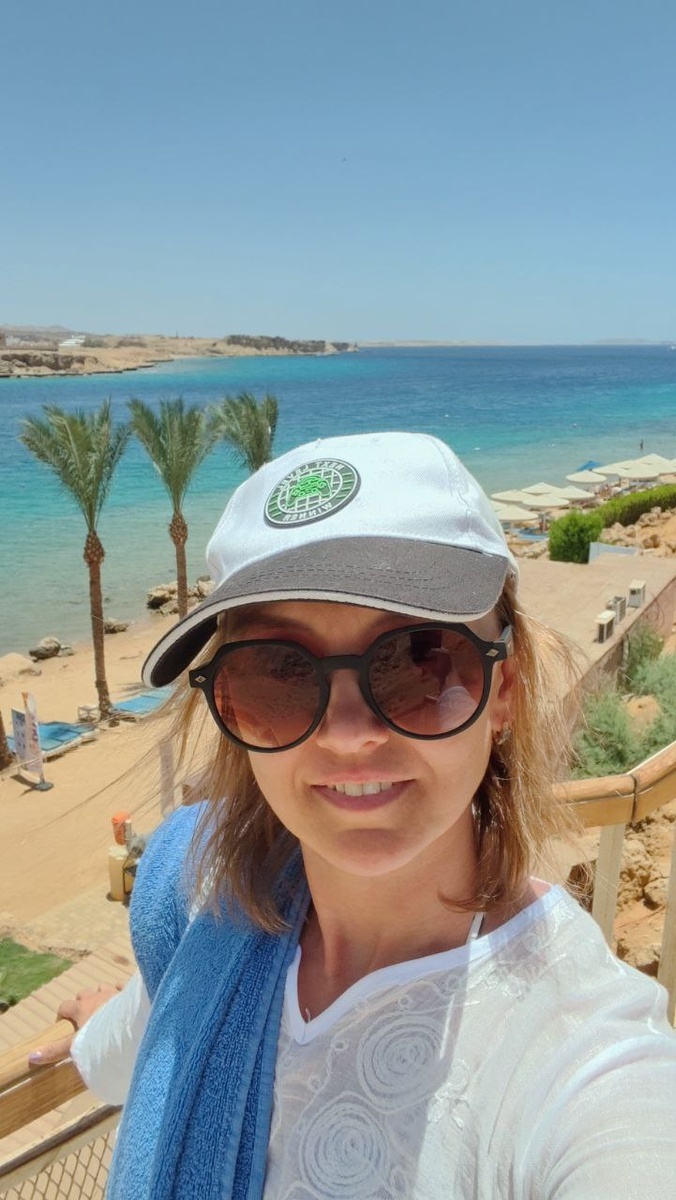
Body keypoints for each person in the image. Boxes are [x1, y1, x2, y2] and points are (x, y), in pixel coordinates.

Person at [33, 432, 676, 1198]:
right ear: (227, 705)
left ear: (503, 691)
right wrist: (92, 1037)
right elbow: (159, 1029)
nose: (348, 736)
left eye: (419, 660)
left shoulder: (582, 1057)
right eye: (278, 674)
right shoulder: (209, 909)